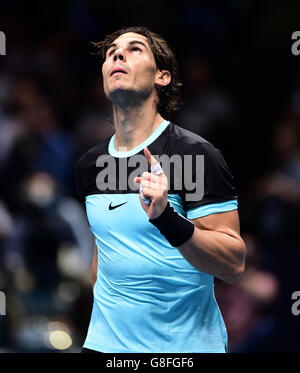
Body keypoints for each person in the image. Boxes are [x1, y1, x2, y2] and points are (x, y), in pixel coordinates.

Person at [74, 26, 246, 353]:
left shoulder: (195, 155)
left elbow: (233, 266)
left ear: (161, 77)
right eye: (111, 53)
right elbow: (105, 250)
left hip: (183, 349)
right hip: (105, 347)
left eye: (134, 49)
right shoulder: (89, 164)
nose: (117, 55)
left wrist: (167, 218)